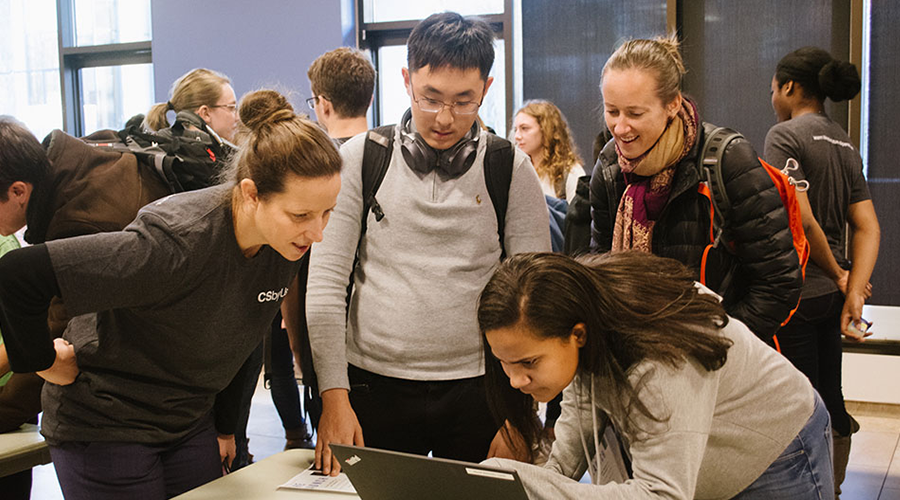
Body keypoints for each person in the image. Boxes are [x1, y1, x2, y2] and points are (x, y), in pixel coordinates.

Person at [0, 90, 342, 499]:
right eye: (301, 215)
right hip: (106, 421)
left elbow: (245, 333)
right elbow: (18, 276)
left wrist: (226, 425)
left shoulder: (285, 244)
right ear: (251, 194)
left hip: (185, 420)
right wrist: (45, 361)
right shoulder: (175, 242)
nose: (317, 232)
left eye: (327, 213)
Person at [305, 12, 550, 476]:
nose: (444, 118)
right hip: (372, 388)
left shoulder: (510, 168)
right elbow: (325, 287)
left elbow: (535, 301)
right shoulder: (360, 159)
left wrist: (521, 415)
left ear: (486, 88)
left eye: (464, 102)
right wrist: (334, 398)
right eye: (430, 98)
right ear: (405, 79)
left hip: (481, 390)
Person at [479, 251, 834, 499]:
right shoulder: (582, 308)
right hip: (703, 462)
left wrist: (531, 484)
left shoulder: (661, 359)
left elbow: (662, 494)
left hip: (778, 449)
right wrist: (544, 476)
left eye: (528, 363)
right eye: (503, 363)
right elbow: (582, 405)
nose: (514, 380)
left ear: (578, 334)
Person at [590, 36, 802, 343]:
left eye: (635, 114)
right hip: (636, 349)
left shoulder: (726, 160)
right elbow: (600, 271)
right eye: (612, 112)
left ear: (673, 104)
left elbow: (779, 283)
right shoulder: (610, 166)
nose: (621, 128)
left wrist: (716, 345)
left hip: (718, 358)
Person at [765, 46, 881, 497]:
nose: (771, 95)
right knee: (829, 395)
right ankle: (831, 489)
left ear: (789, 87)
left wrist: (837, 273)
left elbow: (803, 218)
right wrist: (852, 292)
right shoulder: (844, 142)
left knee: (796, 402)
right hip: (830, 298)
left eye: (774, 87)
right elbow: (868, 226)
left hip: (797, 293)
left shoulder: (785, 135)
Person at [144, 68, 239, 144]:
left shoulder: (175, 153)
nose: (237, 117)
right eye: (231, 108)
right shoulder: (198, 164)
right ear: (205, 113)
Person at [513, 99, 583, 201]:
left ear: (546, 130)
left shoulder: (570, 172)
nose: (517, 136)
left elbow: (579, 215)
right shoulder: (517, 171)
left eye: (524, 128)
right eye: (516, 130)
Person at [307, 47, 376, 145]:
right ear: (370, 101)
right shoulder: (393, 152)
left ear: (324, 104)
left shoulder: (315, 158)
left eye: (314, 101)